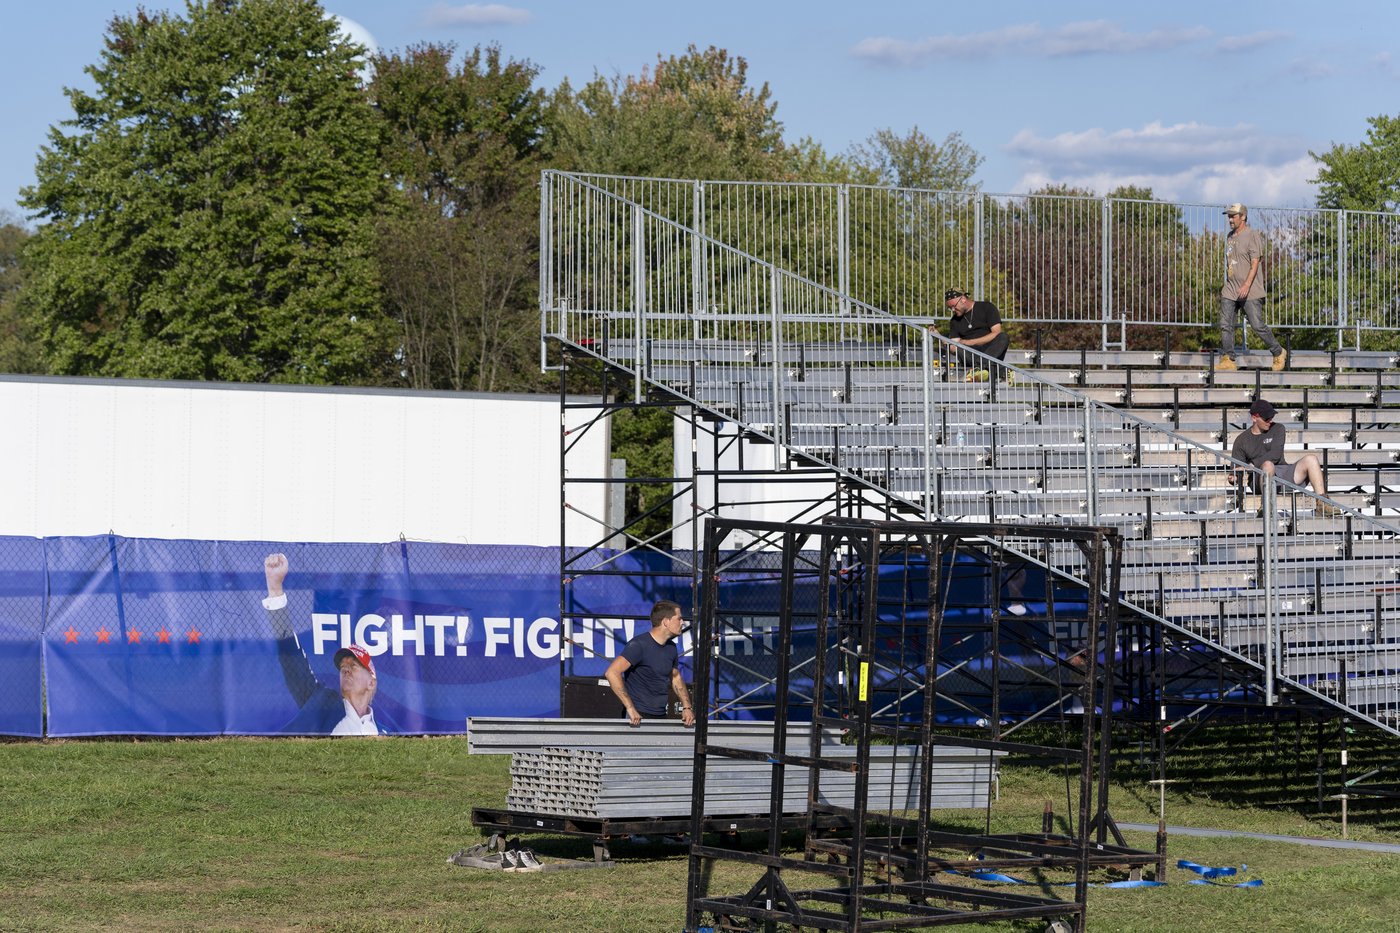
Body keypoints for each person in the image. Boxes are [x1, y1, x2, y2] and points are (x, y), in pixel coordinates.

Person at [262, 552, 399, 735]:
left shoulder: (385, 733)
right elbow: (292, 662)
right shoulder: (322, 704)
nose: (346, 669)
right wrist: (275, 589)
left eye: (354, 665)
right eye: (343, 666)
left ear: (371, 683)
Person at [1230, 399, 1340, 516]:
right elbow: (1236, 470)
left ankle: (1322, 503)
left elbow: (1275, 455)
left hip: (1282, 472)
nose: (1270, 420)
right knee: (1268, 465)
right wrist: (1234, 478)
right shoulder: (1241, 440)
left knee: (1311, 459)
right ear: (1254, 418)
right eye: (1266, 418)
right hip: (1259, 478)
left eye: (1271, 417)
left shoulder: (1278, 428)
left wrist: (1251, 465)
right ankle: (1266, 505)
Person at [1217, 203, 1286, 373]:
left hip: (1250, 289)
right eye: (1229, 216)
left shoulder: (1252, 235)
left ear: (1243, 217)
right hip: (1231, 289)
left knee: (1257, 325)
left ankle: (1278, 352)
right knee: (1226, 323)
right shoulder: (1230, 237)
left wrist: (1246, 285)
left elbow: (1255, 262)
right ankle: (1228, 358)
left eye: (1233, 216)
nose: (1230, 219)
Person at [605, 599, 696, 727]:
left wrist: (687, 707)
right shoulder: (638, 645)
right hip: (637, 717)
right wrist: (630, 708)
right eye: (679, 619)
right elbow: (612, 673)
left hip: (660, 716)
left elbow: (675, 677)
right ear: (666, 621)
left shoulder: (671, 647)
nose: (683, 622)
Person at [942, 288, 1010, 383]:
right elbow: (954, 346)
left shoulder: (987, 307)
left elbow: (996, 332)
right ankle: (998, 370)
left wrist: (969, 342)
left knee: (1003, 336)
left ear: (963, 299)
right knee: (959, 349)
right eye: (950, 308)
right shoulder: (954, 321)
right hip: (971, 354)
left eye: (953, 306)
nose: (952, 310)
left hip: (990, 350)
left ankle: (980, 368)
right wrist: (945, 342)